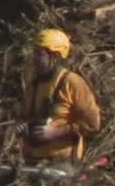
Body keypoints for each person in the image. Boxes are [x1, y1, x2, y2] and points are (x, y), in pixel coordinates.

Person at [21, 28, 102, 165]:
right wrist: (21, 125)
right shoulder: (33, 84)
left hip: (62, 162)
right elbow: (23, 117)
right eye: (34, 53)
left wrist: (56, 132)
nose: (34, 58)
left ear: (55, 57)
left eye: (39, 54)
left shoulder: (73, 83)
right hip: (31, 159)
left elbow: (92, 125)